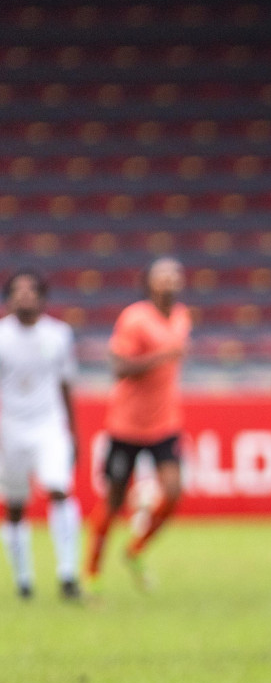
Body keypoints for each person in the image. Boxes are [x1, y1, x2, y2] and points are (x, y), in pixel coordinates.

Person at [85, 257, 191, 591]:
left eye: (174, 275)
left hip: (164, 423)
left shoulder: (182, 317)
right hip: (126, 425)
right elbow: (118, 368)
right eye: (162, 276)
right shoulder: (134, 318)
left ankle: (136, 548)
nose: (169, 281)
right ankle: (93, 571)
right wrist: (161, 356)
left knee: (173, 491)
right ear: (148, 283)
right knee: (114, 500)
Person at [0, 271, 82, 600]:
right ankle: (23, 580)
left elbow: (66, 383)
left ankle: (67, 575)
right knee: (15, 505)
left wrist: (73, 432)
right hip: (11, 430)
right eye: (17, 290)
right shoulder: (2, 337)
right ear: (9, 298)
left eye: (30, 290)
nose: (24, 296)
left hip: (50, 425)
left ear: (42, 297)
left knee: (59, 488)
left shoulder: (58, 335)